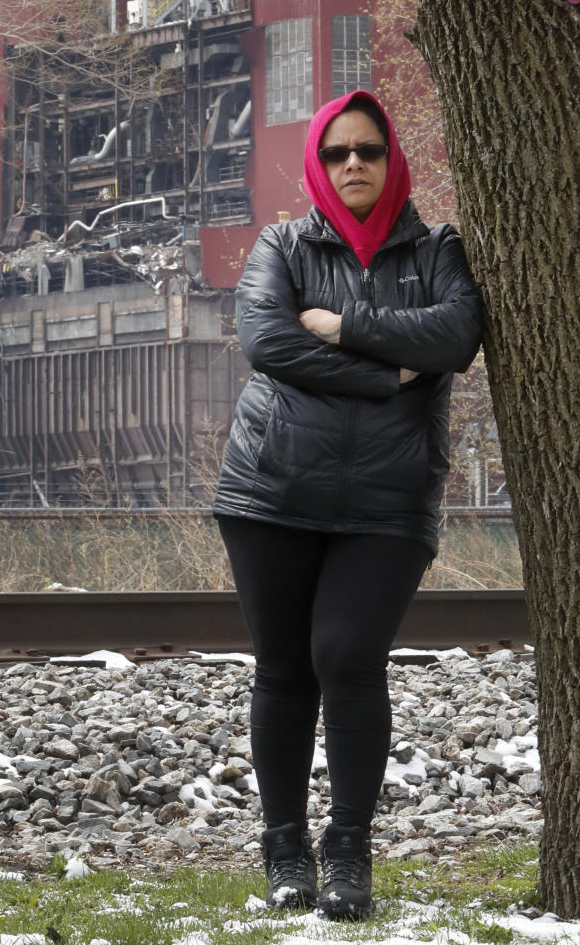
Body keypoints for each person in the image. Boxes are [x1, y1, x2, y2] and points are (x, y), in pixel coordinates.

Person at [214, 89, 482, 919]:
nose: (354, 164)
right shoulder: (283, 245)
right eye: (337, 154)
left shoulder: (436, 247)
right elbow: (267, 340)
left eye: (368, 149)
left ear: (391, 157)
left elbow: (455, 337)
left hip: (390, 500)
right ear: (318, 166)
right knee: (286, 668)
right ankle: (285, 848)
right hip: (271, 491)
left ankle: (348, 851)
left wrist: (344, 323)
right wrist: (382, 372)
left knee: (347, 656)